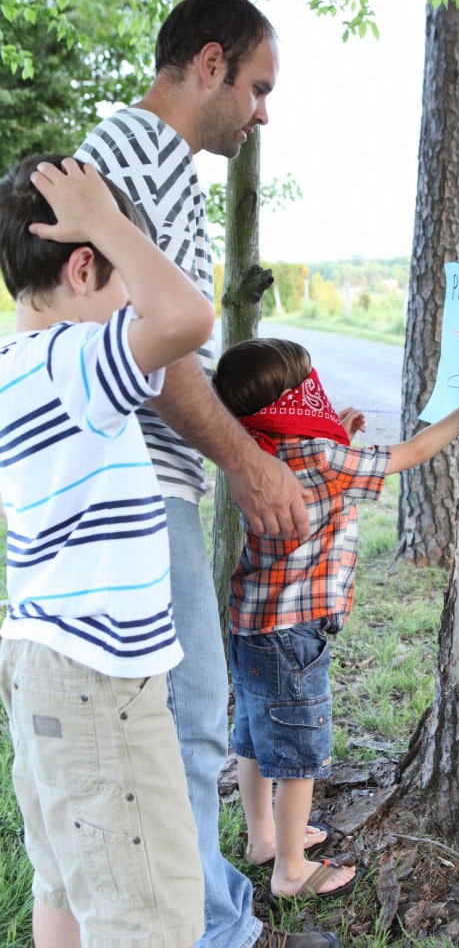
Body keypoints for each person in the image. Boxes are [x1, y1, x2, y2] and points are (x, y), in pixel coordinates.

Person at [77, 0, 338, 948]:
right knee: (187, 727)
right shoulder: (144, 156)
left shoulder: (137, 157)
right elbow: (150, 349)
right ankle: (213, 935)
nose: (263, 113)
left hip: (140, 482)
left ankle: (218, 908)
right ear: (213, 62)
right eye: (260, 89)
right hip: (138, 487)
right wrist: (250, 468)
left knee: (176, 724)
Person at [0, 154, 216, 947]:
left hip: (37, 665)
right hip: (100, 681)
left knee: (65, 883)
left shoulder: (11, 369)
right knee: (147, 916)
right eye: (120, 269)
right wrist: (112, 222)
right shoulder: (73, 362)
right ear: (85, 264)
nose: (131, 295)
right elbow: (188, 317)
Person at [212, 337, 459, 903]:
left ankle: (263, 839)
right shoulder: (324, 457)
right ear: (294, 399)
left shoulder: (255, 446)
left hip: (251, 622)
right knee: (297, 757)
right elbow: (411, 453)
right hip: (297, 632)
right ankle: (292, 870)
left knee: (251, 739)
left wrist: (337, 435)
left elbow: (318, 474)